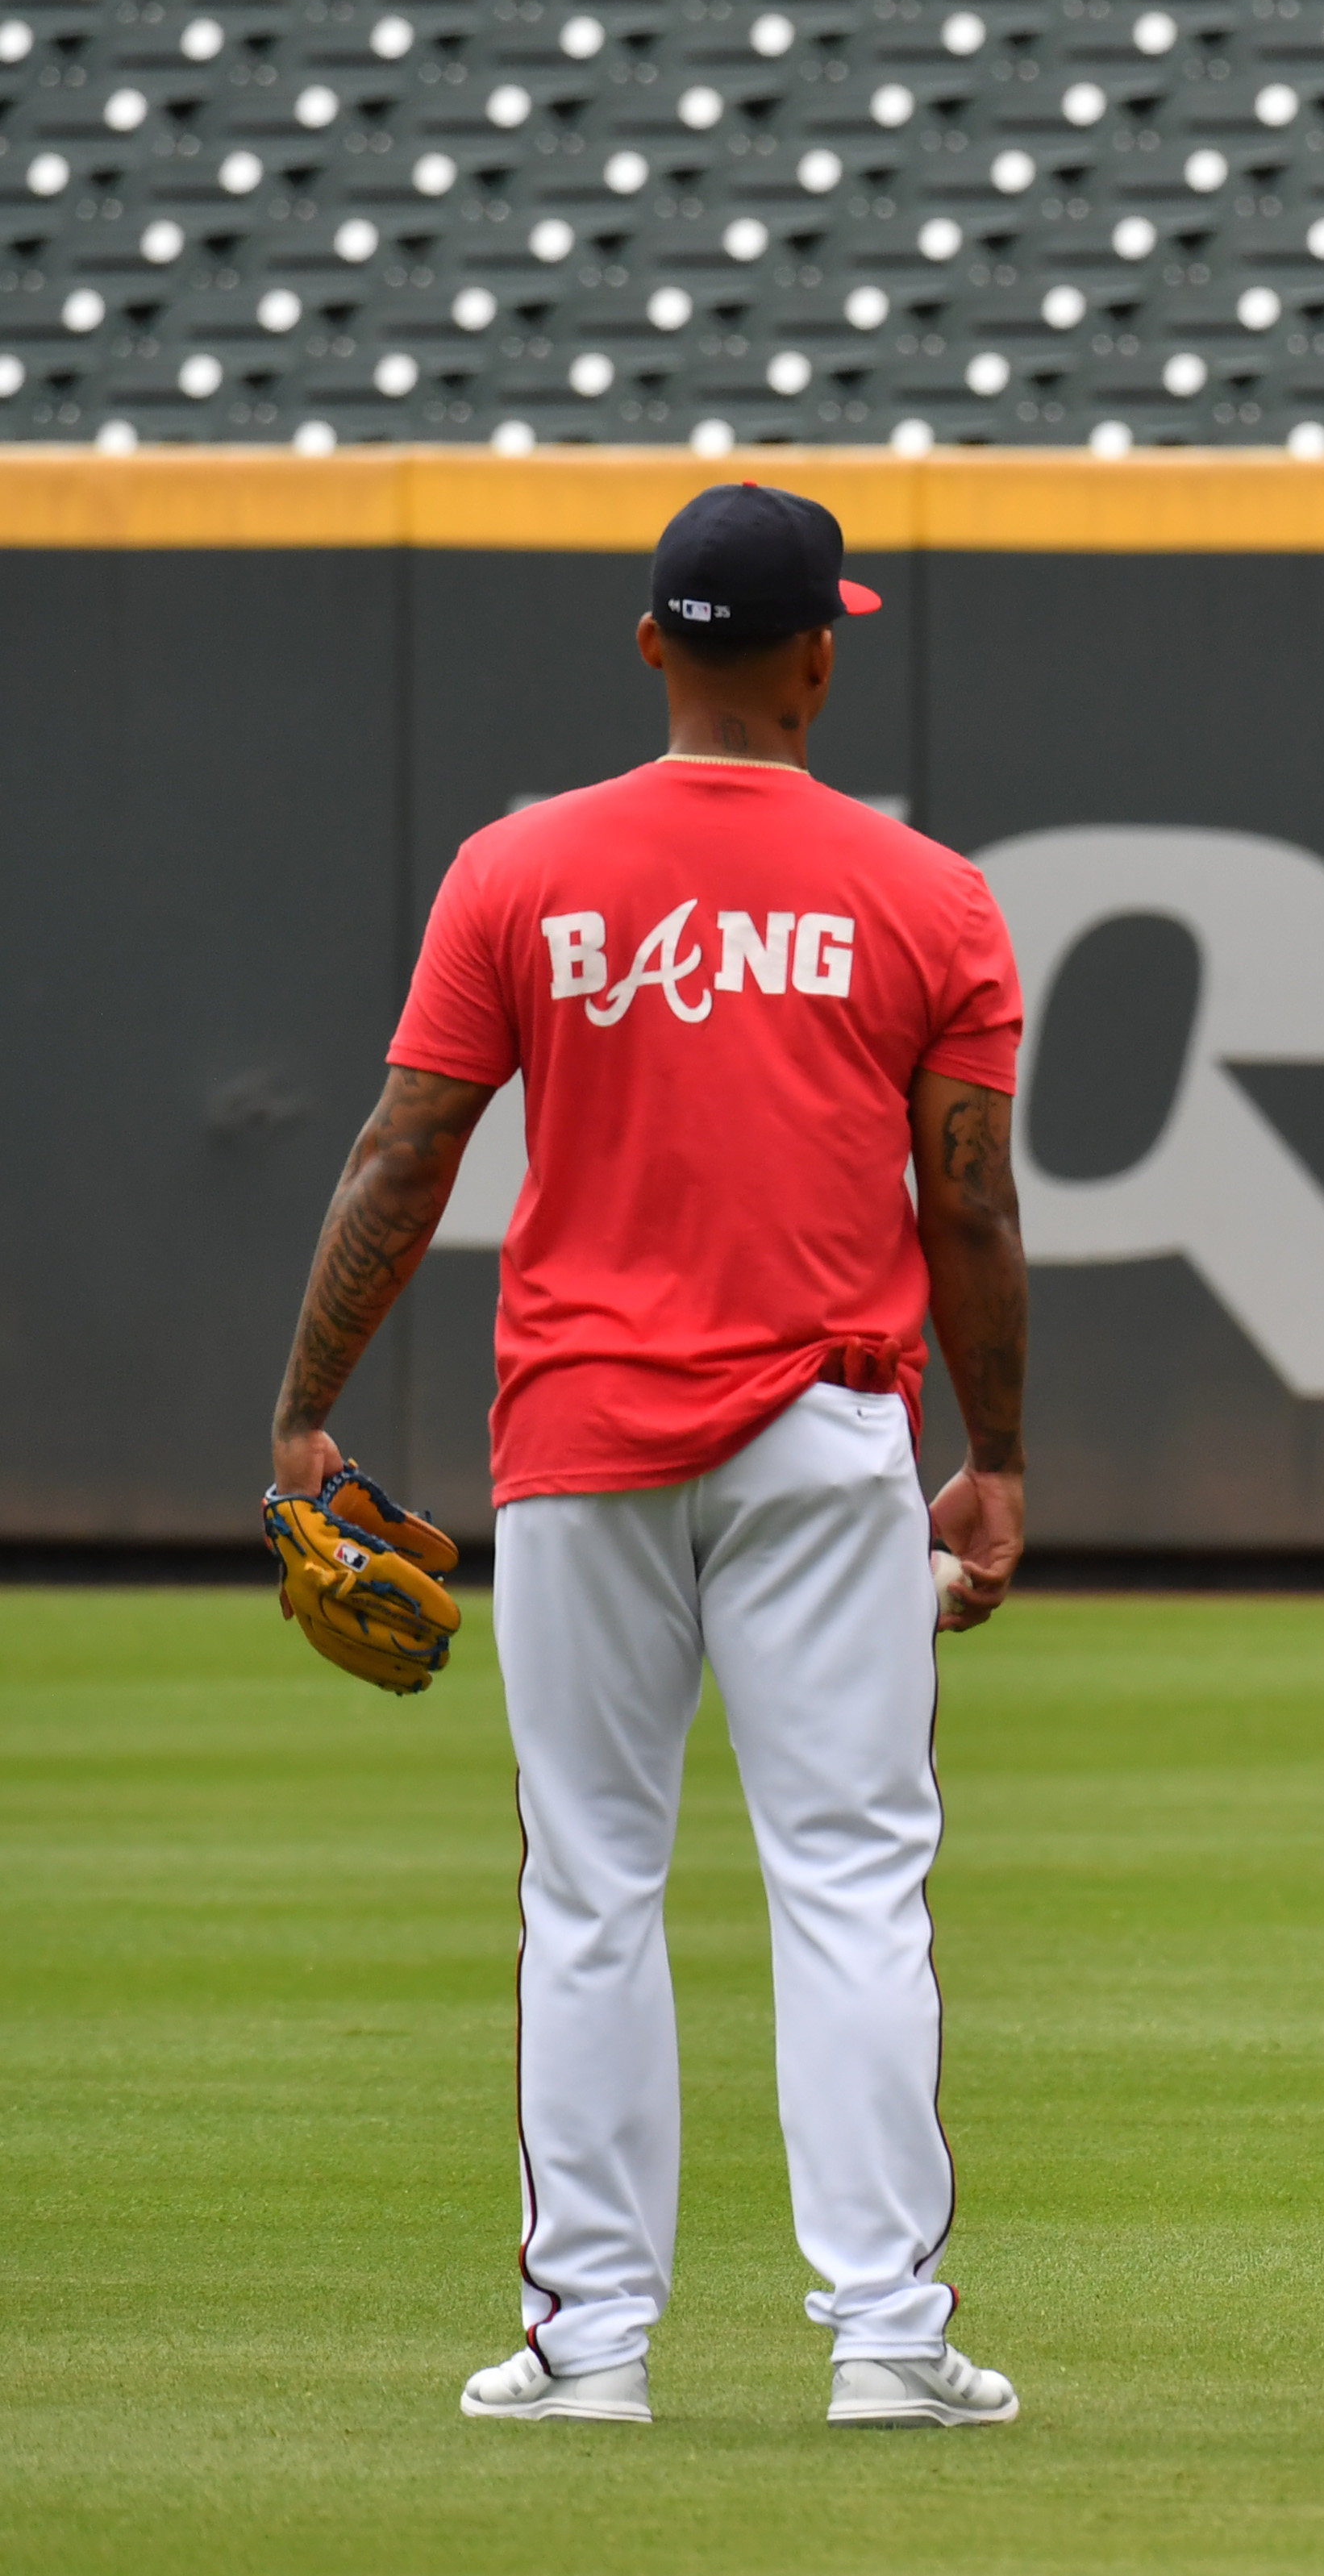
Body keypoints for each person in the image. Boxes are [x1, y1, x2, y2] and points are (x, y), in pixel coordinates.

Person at [262, 484, 1032, 2428]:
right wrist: (1001, 1451)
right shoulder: (924, 887)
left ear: (646, 647)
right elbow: (973, 1210)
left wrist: (299, 1409)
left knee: (590, 1884)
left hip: (579, 1434)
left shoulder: (521, 867)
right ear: (816, 657)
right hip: (826, 1428)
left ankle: (588, 2343)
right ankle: (884, 2338)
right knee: (850, 1879)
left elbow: (401, 1152)